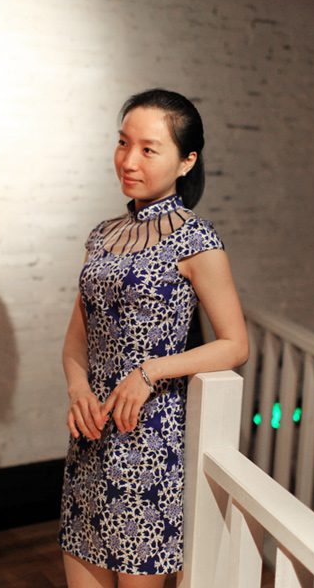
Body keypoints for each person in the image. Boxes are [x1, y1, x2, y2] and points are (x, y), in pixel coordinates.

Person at [58, 89, 249, 588]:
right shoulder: (102, 235)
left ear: (187, 161)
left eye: (148, 149)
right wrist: (78, 390)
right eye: (123, 143)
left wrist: (150, 372)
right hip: (90, 436)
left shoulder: (197, 239)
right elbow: (75, 339)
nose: (129, 160)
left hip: (150, 443)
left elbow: (235, 344)